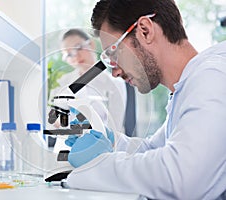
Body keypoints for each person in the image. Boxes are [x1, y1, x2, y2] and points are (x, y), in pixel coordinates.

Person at [64, 0, 226, 199]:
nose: (114, 71)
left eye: (113, 53)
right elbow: (153, 149)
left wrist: (95, 167)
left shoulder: (213, 76)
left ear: (145, 30)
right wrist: (111, 141)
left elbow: (179, 178)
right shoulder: (186, 88)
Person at [49, 29, 127, 133]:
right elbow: (52, 122)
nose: (76, 56)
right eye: (69, 54)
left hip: (105, 145)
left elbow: (115, 127)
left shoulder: (115, 83)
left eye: (78, 48)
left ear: (91, 44)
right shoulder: (62, 83)